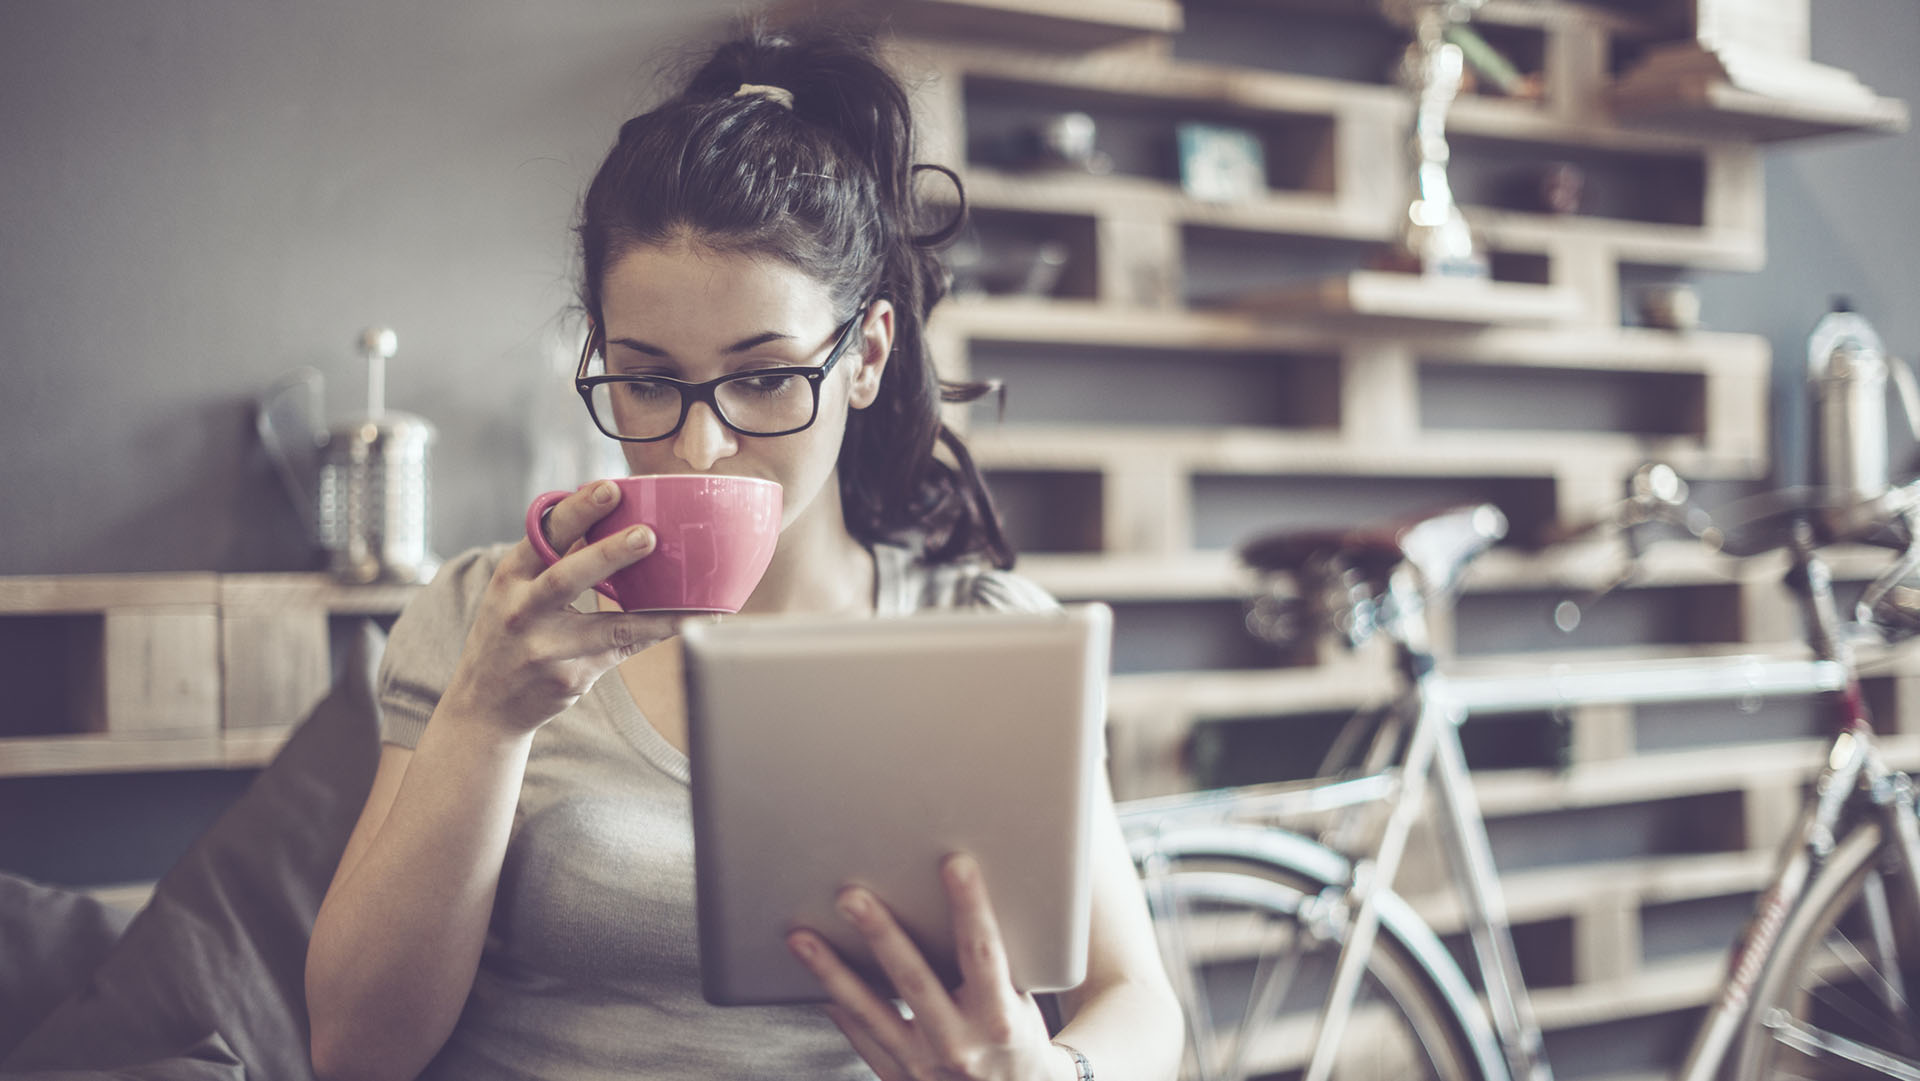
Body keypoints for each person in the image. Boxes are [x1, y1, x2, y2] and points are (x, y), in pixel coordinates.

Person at [303, 19, 1182, 1081]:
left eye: (765, 376)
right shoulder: (491, 619)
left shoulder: (981, 635)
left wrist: (1057, 1073)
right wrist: (488, 717)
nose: (697, 442)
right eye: (648, 378)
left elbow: (1135, 1000)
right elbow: (352, 1051)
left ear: (865, 355)